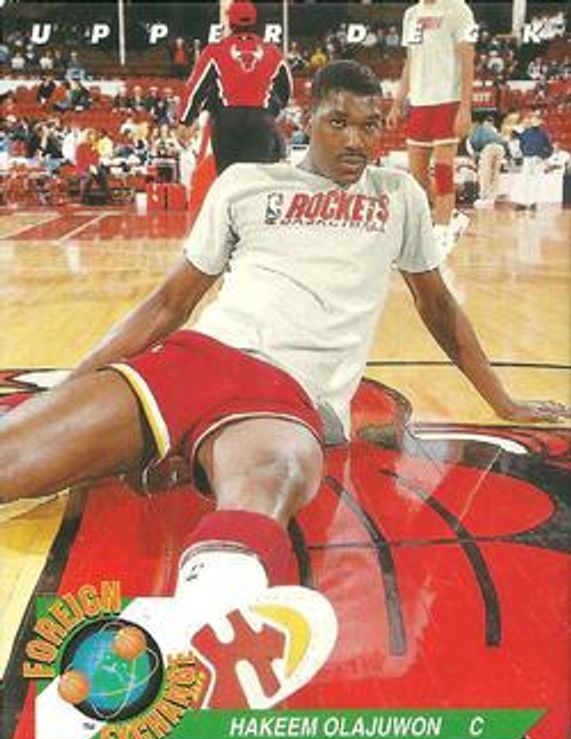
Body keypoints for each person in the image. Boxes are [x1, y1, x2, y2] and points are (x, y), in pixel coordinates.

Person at [0, 62, 568, 701]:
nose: (356, 140)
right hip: (197, 357)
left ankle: (199, 623)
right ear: (306, 119)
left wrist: (502, 397)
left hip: (287, 393)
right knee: (12, 461)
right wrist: (72, 388)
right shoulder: (246, 184)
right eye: (339, 122)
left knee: (276, 472)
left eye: (370, 126)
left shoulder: (399, 196)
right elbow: (168, 304)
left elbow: (438, 308)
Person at [387, 0, 478, 258]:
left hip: (448, 101)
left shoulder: (458, 9)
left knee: (443, 171)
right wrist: (397, 102)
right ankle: (443, 221)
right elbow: (410, 61)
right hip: (419, 103)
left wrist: (465, 107)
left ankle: (442, 232)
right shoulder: (411, 14)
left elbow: (468, 57)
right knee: (416, 178)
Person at [180, 0, 292, 174]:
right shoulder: (272, 51)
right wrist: (273, 109)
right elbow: (287, 88)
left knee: (229, 178)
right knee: (256, 179)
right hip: (261, 121)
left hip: (226, 121)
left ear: (230, 21)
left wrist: (185, 121)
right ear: (255, 20)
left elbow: (195, 88)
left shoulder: (214, 51)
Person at [512, 111, 553, 211]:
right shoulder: (525, 133)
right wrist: (524, 154)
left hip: (537, 160)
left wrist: (542, 156)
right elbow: (521, 145)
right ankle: (522, 202)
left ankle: (533, 202)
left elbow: (549, 148)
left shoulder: (543, 134)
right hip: (527, 159)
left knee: (535, 182)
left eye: (537, 119)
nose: (535, 121)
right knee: (524, 181)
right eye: (533, 118)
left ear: (540, 121)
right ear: (531, 120)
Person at [468, 115, 506, 208]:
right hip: (500, 148)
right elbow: (502, 139)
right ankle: (492, 197)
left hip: (488, 148)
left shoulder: (477, 128)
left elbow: (475, 141)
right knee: (495, 173)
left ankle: (484, 197)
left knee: (485, 172)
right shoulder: (493, 128)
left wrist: (475, 154)